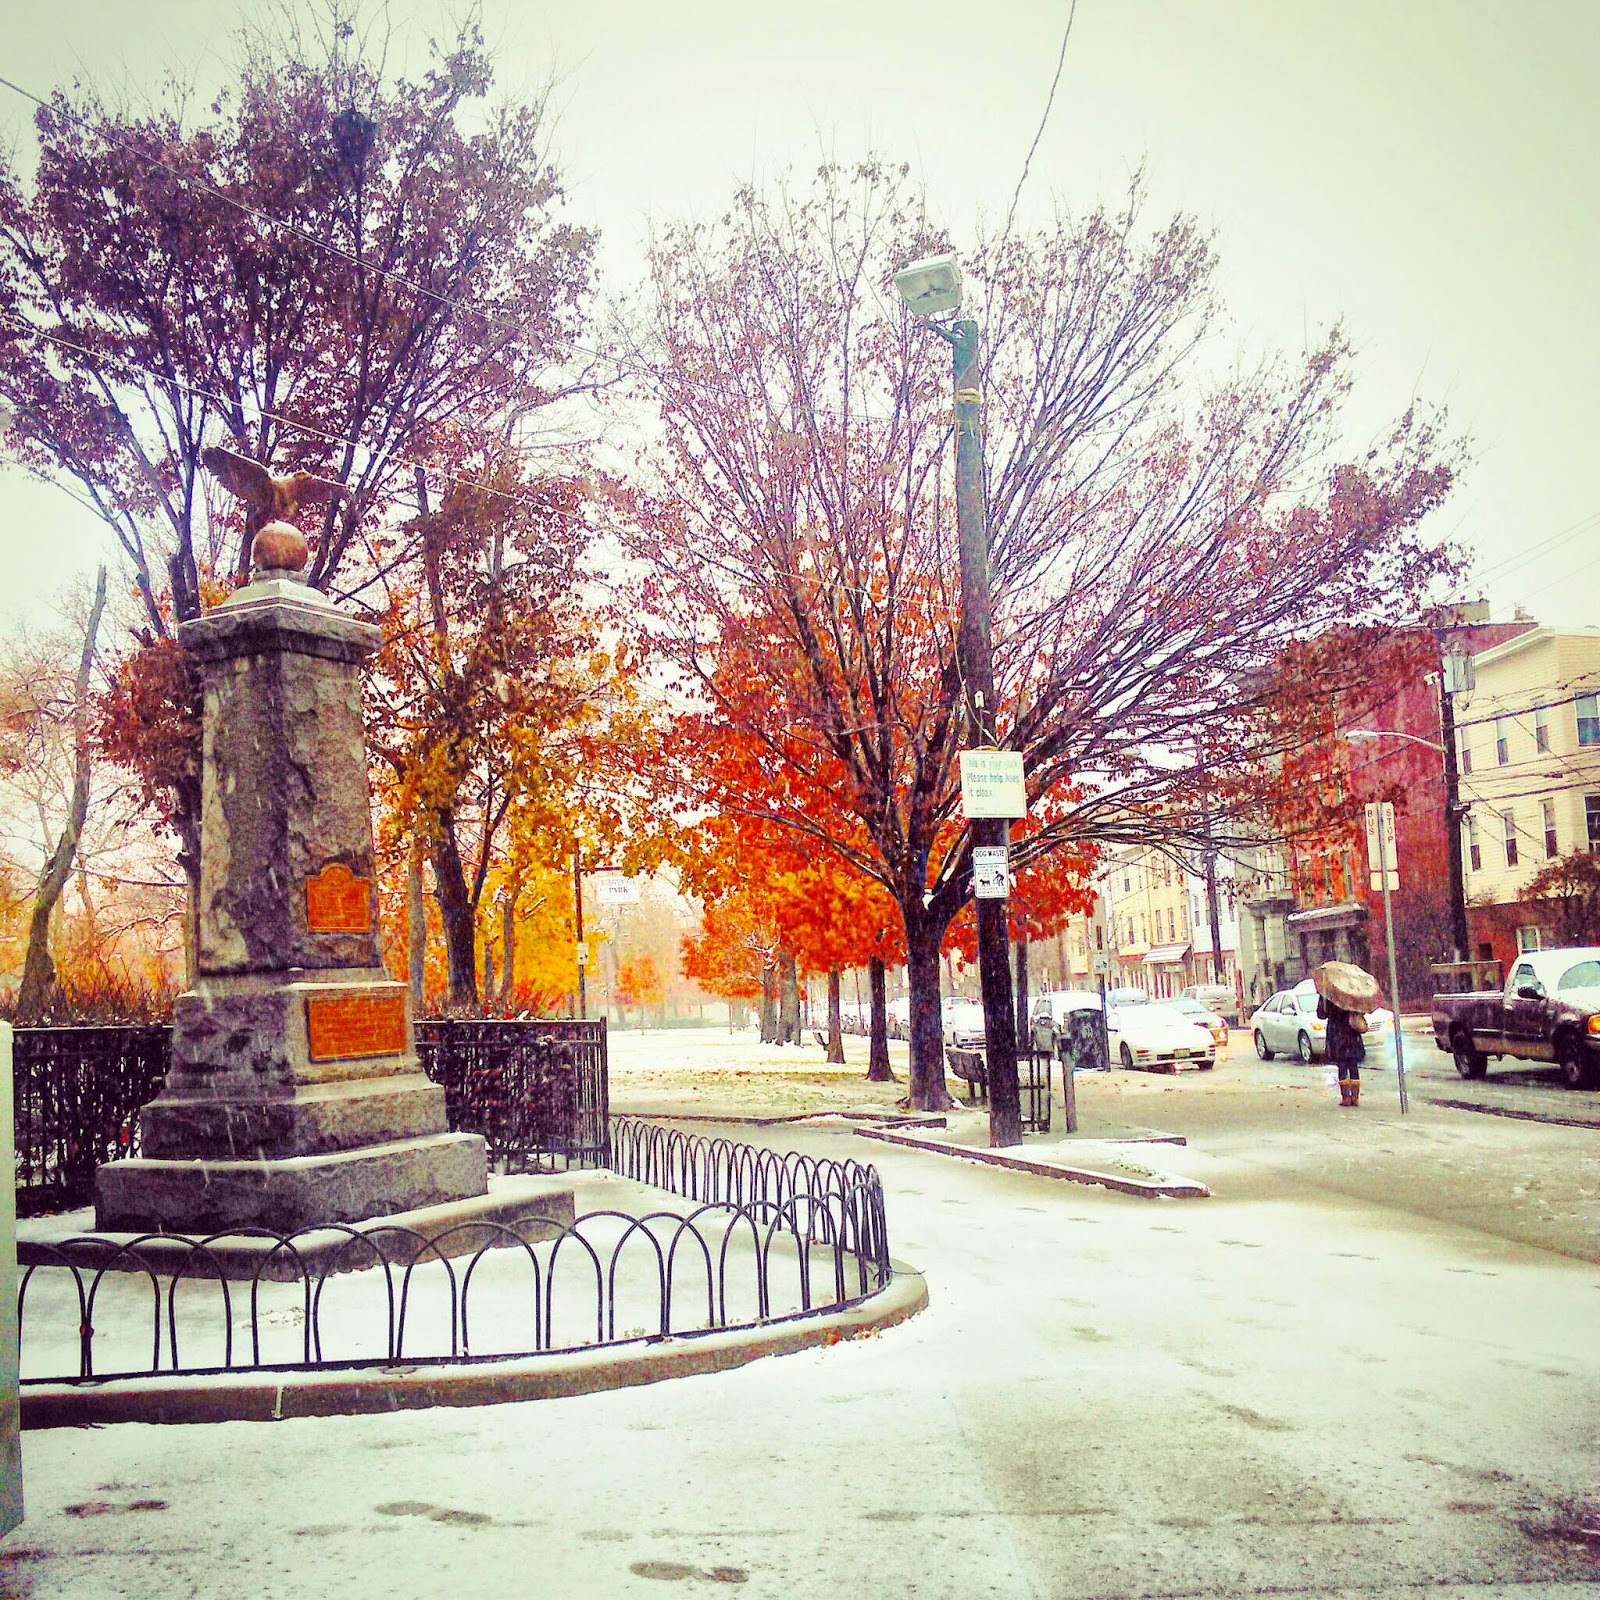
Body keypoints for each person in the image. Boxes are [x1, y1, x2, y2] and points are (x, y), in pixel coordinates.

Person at [1318, 994, 1366, 1107]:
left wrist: (1324, 1002)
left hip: (1337, 1033)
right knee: (1353, 1065)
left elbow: (1321, 1014)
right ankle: (1355, 1097)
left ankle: (1346, 1097)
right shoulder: (1351, 994)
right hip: (1351, 1033)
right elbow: (1360, 1010)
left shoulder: (1329, 994)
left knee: (1342, 1066)